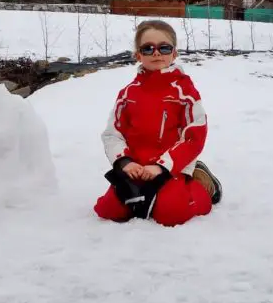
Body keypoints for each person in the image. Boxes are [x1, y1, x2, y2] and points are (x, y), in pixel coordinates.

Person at [94, 20, 222, 227]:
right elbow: (112, 134)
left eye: (164, 47)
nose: (156, 53)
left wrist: (162, 166)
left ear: (174, 53)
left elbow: (194, 136)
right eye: (148, 48)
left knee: (170, 213)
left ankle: (204, 184)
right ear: (138, 55)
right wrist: (125, 163)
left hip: (171, 167)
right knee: (109, 210)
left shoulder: (185, 91)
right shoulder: (128, 94)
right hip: (136, 168)